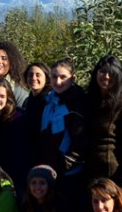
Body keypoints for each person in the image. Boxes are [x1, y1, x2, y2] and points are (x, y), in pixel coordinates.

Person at [29, 58, 87, 202]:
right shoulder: (49, 101)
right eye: (54, 77)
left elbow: (81, 142)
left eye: (63, 77)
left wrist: (63, 165)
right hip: (48, 169)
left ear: (73, 78)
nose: (58, 81)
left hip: (69, 173)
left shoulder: (78, 104)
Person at [84, 55, 122, 197]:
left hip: (114, 174)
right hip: (89, 174)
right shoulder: (88, 101)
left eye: (111, 73)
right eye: (102, 72)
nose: (106, 77)